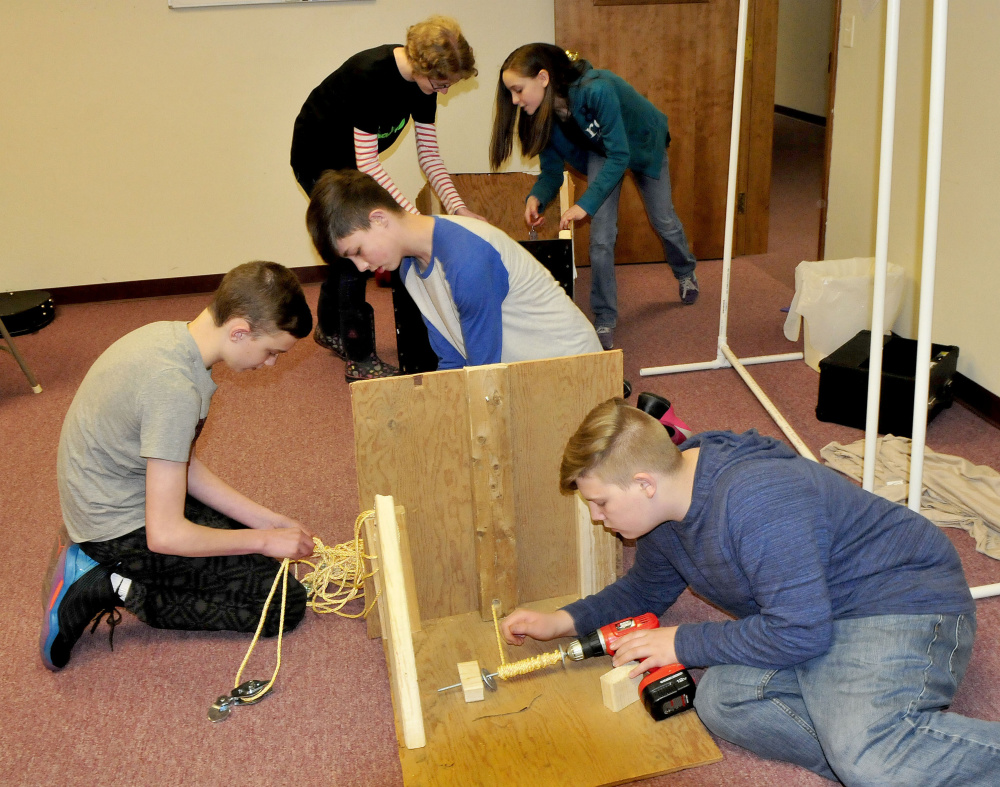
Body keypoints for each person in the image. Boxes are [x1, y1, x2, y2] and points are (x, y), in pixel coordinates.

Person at [500, 398, 1000, 785]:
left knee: (868, 758)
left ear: (643, 483)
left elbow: (800, 633)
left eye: (600, 502)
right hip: (812, 618)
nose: (596, 516)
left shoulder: (758, 502)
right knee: (721, 701)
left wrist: (681, 642)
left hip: (897, 603)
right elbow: (644, 588)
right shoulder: (666, 511)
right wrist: (562, 620)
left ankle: (876, 756)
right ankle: (875, 752)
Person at [41, 261, 316, 671]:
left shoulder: (171, 338)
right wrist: (262, 540)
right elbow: (166, 535)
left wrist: (264, 520)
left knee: (265, 562)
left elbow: (178, 461)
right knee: (283, 605)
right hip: (116, 525)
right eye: (272, 351)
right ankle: (110, 582)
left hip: (124, 492)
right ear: (239, 331)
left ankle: (112, 567)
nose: (271, 363)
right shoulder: (174, 389)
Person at [291, 15, 487, 382]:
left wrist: (459, 209)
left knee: (352, 244)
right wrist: (416, 222)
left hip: (354, 163)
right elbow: (368, 164)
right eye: (442, 83)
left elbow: (429, 156)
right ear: (421, 65)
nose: (444, 91)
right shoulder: (372, 75)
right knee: (357, 250)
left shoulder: (423, 86)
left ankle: (328, 327)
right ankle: (359, 355)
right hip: (317, 156)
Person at [490, 44, 699, 351]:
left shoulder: (596, 90)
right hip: (603, 150)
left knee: (663, 220)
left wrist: (584, 204)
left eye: (518, 90)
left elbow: (621, 154)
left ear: (544, 78)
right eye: (511, 92)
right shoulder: (541, 115)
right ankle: (604, 315)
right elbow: (551, 173)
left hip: (640, 143)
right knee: (601, 238)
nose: (515, 100)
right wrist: (536, 197)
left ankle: (686, 272)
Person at [306, 170, 602, 369]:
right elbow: (450, 355)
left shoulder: (465, 258)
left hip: (570, 369)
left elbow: (485, 371)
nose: (361, 267)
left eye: (357, 251)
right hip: (524, 375)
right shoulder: (409, 267)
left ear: (380, 219)